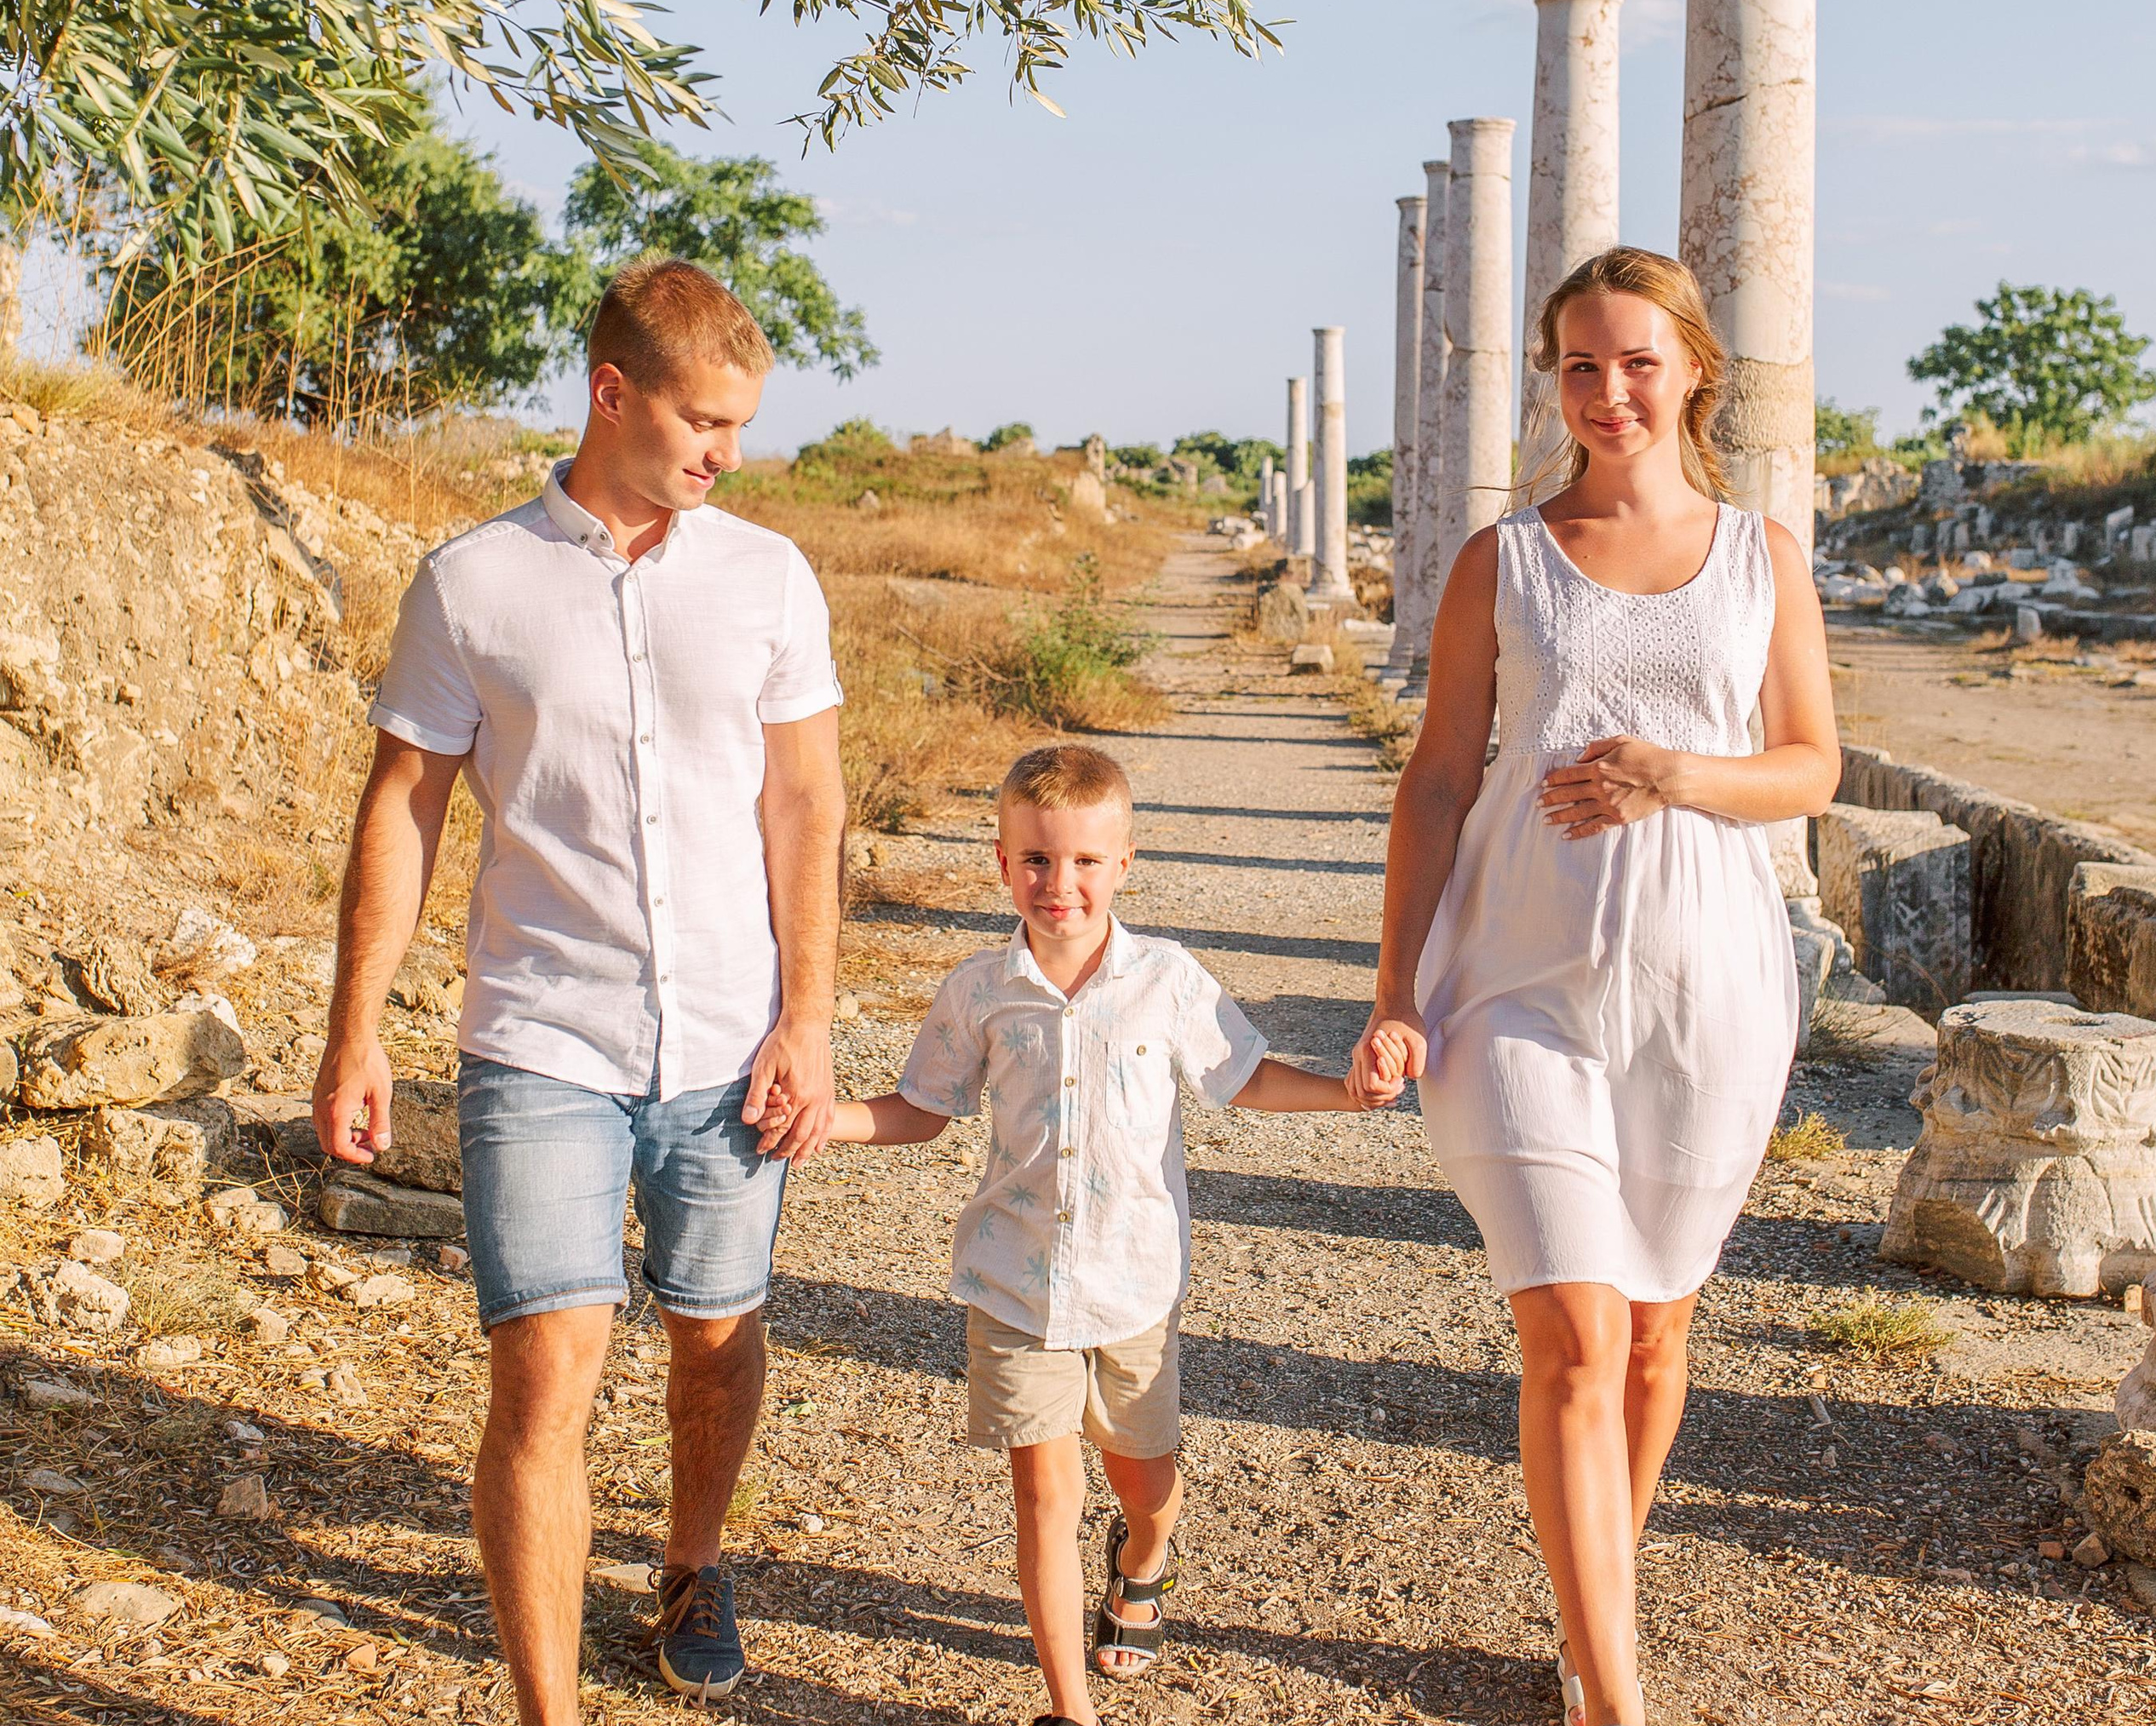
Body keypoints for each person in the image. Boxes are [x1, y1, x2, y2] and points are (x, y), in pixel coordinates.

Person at [311, 257, 847, 1723]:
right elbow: (404, 804)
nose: (724, 456)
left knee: (716, 1340)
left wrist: (808, 1018)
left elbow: (807, 805)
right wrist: (357, 1029)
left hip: (734, 1039)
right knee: (547, 1374)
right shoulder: (472, 583)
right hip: (541, 1035)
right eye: (702, 422)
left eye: (740, 427)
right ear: (612, 392)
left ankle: (691, 1561)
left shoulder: (765, 578)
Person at [1350, 247, 1838, 1726]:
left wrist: (1673, 774)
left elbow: (1811, 765)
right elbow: (1438, 777)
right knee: (1574, 1332)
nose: (1607, 391)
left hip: (1711, 993)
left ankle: (1587, 1619)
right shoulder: (1503, 560)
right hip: (1515, 981)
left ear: (1694, 368)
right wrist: (1393, 986)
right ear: (1553, 380)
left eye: (1635, 360)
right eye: (1578, 364)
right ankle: (1615, 1701)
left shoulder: (1767, 555)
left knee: (1658, 1334)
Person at [825, 742, 1407, 1726]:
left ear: (1125, 862)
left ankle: (1144, 1557)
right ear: (1002, 862)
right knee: (1046, 1496)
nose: (1061, 883)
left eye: (1086, 861)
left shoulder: (1165, 979)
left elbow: (1245, 1078)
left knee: (1144, 1481)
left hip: (1135, 1282)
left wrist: (1347, 1095)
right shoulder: (978, 990)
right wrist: (823, 1119)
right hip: (1013, 1283)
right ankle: (1070, 1706)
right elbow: (923, 1107)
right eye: (1039, 860)